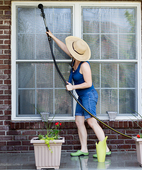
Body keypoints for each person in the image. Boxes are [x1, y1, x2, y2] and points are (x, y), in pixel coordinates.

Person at [46, 30, 111, 158]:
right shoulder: (74, 59)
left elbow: (88, 83)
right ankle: (84, 149)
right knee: (79, 121)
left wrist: (72, 87)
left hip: (89, 95)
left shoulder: (84, 65)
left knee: (91, 122)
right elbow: (64, 47)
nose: (70, 51)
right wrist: (52, 36)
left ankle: (106, 149)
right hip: (82, 96)